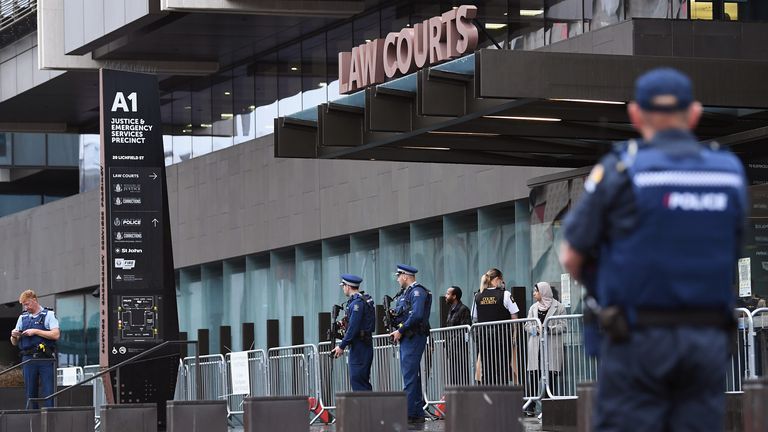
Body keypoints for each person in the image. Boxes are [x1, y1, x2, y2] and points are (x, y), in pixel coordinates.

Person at [560, 68, 747, 432]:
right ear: (694, 113)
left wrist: (604, 288)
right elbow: (734, 243)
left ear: (635, 114)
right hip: (706, 340)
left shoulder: (622, 168)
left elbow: (572, 254)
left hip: (637, 340)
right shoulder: (728, 172)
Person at [389, 264, 432, 424]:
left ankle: (409, 412)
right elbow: (404, 316)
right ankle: (415, 412)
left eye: (399, 276)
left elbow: (417, 316)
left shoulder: (417, 292)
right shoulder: (406, 294)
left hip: (413, 337)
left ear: (405, 276)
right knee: (411, 375)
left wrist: (401, 330)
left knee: (409, 375)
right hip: (408, 337)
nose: (398, 279)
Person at [10, 290, 60, 409]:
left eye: (27, 304)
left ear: (34, 300)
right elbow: (14, 342)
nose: (26, 307)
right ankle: (32, 418)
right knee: (30, 392)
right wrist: (14, 335)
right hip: (28, 359)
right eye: (24, 305)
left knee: (49, 391)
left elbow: (56, 334)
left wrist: (36, 331)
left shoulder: (48, 315)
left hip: (45, 358)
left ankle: (50, 418)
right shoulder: (23, 317)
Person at [523, 282, 566, 416]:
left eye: (536, 291)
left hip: (551, 346)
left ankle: (548, 408)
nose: (534, 293)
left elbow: (564, 326)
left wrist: (548, 329)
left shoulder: (559, 307)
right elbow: (526, 325)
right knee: (534, 376)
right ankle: (530, 406)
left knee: (551, 377)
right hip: (536, 347)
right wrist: (535, 330)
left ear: (543, 292)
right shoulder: (533, 308)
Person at [472, 268, 520, 385]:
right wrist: (514, 335)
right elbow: (515, 317)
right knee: (502, 366)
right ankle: (501, 396)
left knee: (487, 367)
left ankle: (490, 396)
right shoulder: (505, 294)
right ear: (498, 279)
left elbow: (474, 318)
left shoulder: (477, 296)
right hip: (502, 337)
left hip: (484, 338)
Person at [331, 274, 375, 391]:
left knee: (359, 383)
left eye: (343, 286)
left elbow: (354, 327)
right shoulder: (359, 300)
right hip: (361, 346)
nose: (343, 288)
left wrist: (341, 346)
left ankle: (364, 409)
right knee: (361, 382)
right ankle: (366, 409)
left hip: (360, 347)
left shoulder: (357, 303)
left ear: (348, 286)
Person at [444, 286, 471, 386]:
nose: (445, 296)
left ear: (454, 296)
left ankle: (464, 397)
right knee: (453, 376)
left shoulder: (463, 309)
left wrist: (453, 343)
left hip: (460, 350)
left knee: (461, 376)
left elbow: (465, 329)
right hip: (451, 350)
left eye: (448, 294)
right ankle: (456, 398)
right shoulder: (451, 310)